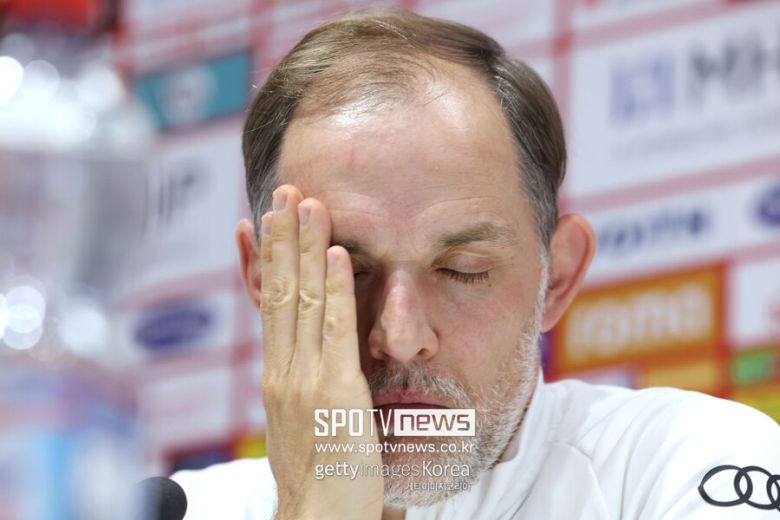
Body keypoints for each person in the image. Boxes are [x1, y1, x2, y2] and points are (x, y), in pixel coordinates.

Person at [172, 10, 780, 520]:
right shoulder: (181, 509)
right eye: (346, 272)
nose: (399, 337)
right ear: (265, 280)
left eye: (462, 269)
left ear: (556, 279)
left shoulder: (686, 467)